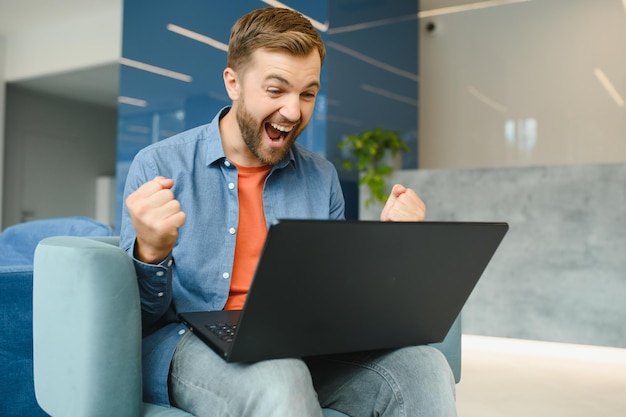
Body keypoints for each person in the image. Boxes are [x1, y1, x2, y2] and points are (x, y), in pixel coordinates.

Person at [120, 7, 457, 417]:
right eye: (276, 90)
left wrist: (390, 252)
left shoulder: (321, 177)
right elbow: (135, 317)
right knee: (280, 374)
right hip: (190, 339)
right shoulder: (158, 165)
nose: (294, 112)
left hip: (297, 343)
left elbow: (332, 299)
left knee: (425, 367)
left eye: (308, 93)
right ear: (234, 83)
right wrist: (151, 253)